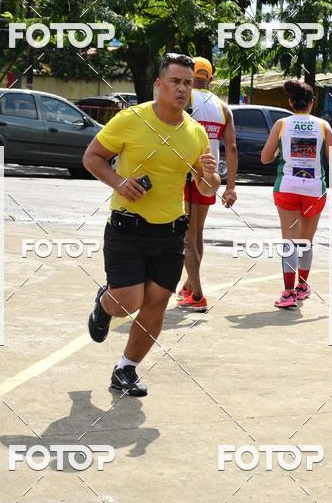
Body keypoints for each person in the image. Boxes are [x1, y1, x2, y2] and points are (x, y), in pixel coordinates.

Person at [82, 53, 220, 396]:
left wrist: (211, 178)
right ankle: (105, 305)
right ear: (159, 84)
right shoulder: (130, 119)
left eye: (188, 83)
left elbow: (203, 187)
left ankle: (126, 369)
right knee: (128, 301)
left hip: (170, 233)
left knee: (155, 303)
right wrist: (118, 182)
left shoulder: (196, 133)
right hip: (128, 227)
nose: (182, 89)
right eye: (175, 81)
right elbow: (92, 157)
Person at [260, 80, 332, 309]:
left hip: (287, 187)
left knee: (289, 242)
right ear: (312, 103)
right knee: (306, 242)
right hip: (314, 189)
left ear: (290, 102)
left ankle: (288, 293)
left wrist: (280, 154)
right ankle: (303, 286)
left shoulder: (281, 124)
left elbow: (265, 157)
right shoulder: (323, 126)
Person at [177, 57, 238, 312]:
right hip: (210, 175)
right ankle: (189, 286)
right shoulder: (223, 107)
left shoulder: (186, 97)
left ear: (192, 76)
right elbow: (232, 147)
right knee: (197, 232)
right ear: (211, 78)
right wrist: (231, 186)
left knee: (186, 236)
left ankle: (198, 293)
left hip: (186, 173)